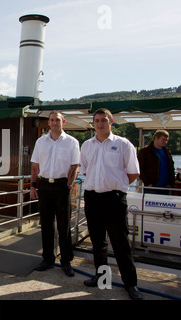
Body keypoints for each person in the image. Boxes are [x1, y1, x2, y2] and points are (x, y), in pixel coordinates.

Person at [80, 108, 143, 300]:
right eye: (97, 120)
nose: (100, 124)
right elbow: (85, 171)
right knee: (98, 242)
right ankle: (102, 277)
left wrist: (118, 186)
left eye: (103, 120)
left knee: (120, 243)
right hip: (92, 198)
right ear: (93, 123)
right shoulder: (87, 145)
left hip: (114, 199)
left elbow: (133, 172)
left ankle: (131, 284)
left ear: (111, 121)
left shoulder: (124, 144)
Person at [30, 110, 80, 277]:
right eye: (52, 120)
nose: (54, 123)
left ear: (63, 122)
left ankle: (66, 261)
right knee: (46, 224)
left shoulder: (72, 142)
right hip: (44, 186)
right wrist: (32, 185)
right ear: (48, 123)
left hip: (61, 187)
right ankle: (47, 259)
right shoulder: (40, 142)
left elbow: (75, 166)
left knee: (64, 225)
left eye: (57, 120)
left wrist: (68, 186)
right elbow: (35, 166)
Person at [137, 129, 175, 195]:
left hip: (166, 187)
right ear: (155, 138)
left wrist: (171, 183)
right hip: (152, 188)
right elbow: (139, 168)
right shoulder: (145, 151)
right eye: (163, 139)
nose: (165, 142)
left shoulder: (167, 152)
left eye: (166, 140)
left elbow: (171, 168)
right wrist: (148, 183)